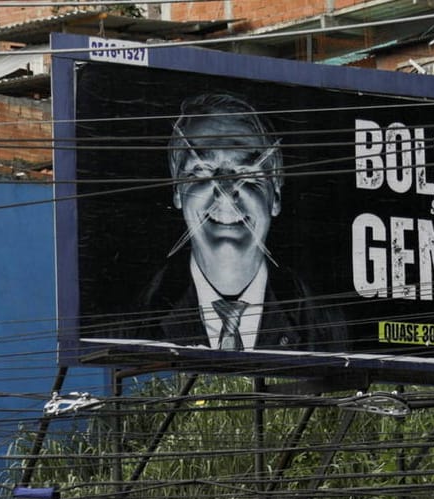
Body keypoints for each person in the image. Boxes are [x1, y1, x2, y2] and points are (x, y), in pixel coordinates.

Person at [131, 92, 347, 352]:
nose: (225, 189)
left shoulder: (327, 326)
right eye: (202, 170)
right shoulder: (132, 320)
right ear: (177, 191)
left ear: (276, 194)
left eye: (247, 172)